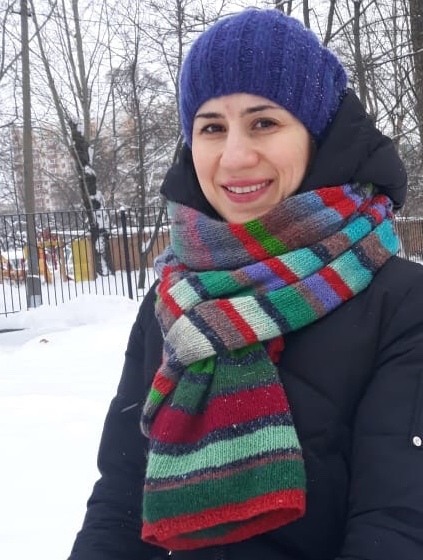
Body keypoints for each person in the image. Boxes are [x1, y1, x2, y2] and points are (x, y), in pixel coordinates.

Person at [68, 8, 423, 560]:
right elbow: (119, 502)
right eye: (211, 127)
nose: (234, 156)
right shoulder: (172, 301)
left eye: (264, 123)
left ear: (319, 138)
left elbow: (397, 526)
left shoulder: (402, 303)